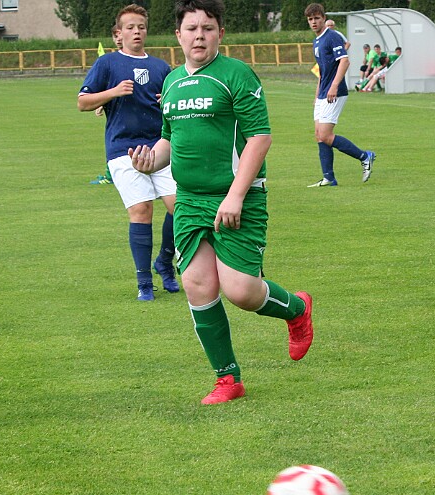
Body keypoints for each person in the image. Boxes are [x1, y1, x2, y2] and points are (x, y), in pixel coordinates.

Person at [129, 0, 314, 405]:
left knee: (242, 291)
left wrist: (235, 195)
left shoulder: (236, 74)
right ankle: (227, 379)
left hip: (238, 199)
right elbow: (169, 139)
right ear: (178, 35)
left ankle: (297, 310)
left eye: (208, 28)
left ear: (220, 34)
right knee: (197, 285)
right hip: (190, 201)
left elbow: (260, 137)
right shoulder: (172, 81)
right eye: (191, 28)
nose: (199, 36)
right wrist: (149, 161)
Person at [78, 4, 179, 301]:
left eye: (141, 27)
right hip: (124, 148)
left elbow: (174, 107)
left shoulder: (161, 67)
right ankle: (144, 282)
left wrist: (167, 102)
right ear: (118, 34)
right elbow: (82, 102)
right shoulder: (107, 63)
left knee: (180, 207)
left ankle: (164, 262)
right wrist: (111, 93)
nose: (137, 32)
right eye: (130, 27)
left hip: (160, 147)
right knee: (142, 210)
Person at [305, 3, 375, 187]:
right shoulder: (316, 41)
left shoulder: (332, 36)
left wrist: (334, 86)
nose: (314, 22)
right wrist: (317, 95)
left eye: (317, 18)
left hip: (335, 92)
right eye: (310, 19)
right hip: (323, 93)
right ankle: (329, 178)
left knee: (325, 135)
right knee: (319, 135)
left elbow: (344, 61)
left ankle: (365, 156)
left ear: (323, 18)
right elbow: (322, 71)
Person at [91, 25, 124, 186]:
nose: (118, 39)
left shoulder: (134, 61)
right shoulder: (110, 60)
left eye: (120, 34)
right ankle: (110, 173)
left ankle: (111, 175)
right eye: (115, 36)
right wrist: (101, 102)